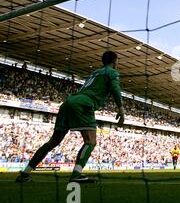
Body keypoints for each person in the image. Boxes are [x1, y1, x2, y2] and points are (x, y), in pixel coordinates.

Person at [15, 51, 125, 183]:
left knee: (53, 142)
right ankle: (77, 174)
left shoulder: (95, 72)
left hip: (67, 103)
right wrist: (121, 108)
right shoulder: (112, 72)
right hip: (84, 103)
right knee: (91, 141)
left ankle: (25, 173)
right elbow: (115, 88)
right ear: (115, 61)